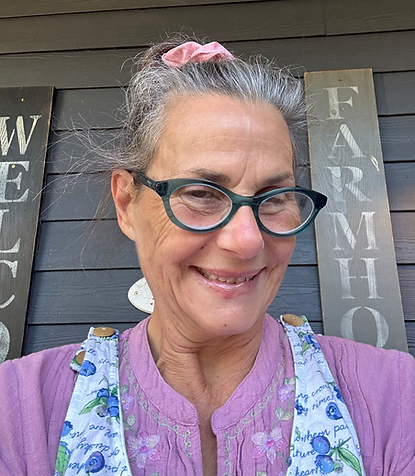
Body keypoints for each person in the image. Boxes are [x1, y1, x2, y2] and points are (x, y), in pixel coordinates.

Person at [1, 36, 415, 476]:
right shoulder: (18, 411)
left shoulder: (394, 395)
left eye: (274, 196)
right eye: (200, 193)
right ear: (126, 203)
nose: (247, 241)